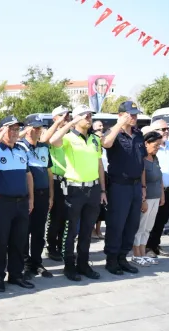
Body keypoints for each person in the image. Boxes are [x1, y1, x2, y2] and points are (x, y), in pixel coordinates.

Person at [49, 105, 104, 281]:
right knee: (71, 230)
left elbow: (99, 164)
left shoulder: (95, 139)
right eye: (85, 115)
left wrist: (102, 189)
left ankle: (83, 263)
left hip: (93, 188)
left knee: (87, 230)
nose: (89, 118)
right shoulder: (68, 137)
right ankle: (69, 265)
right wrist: (71, 121)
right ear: (77, 118)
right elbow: (53, 140)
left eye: (90, 115)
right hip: (75, 189)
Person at [0, 116, 35, 292]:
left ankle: (16, 275)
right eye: (10, 129)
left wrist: (31, 198)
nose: (14, 133)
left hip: (21, 202)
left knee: (19, 241)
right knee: (0, 241)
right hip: (1, 202)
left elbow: (28, 175)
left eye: (17, 129)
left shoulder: (21, 150)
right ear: (2, 130)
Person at [102, 101, 146, 275]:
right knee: (116, 224)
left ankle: (122, 257)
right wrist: (119, 124)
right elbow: (105, 143)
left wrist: (143, 187)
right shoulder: (113, 133)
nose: (134, 117)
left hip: (135, 186)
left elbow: (141, 162)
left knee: (132, 224)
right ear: (121, 115)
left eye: (135, 114)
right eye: (130, 114)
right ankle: (111, 259)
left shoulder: (138, 134)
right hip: (119, 186)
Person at [17, 114, 54, 280]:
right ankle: (24, 264)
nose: (38, 131)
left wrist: (51, 196)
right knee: (24, 231)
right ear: (26, 128)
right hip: (25, 196)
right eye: (34, 127)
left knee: (39, 232)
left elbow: (49, 172)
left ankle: (37, 262)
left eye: (40, 128)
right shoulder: (19, 147)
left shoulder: (44, 148)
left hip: (43, 194)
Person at [131, 130, 165, 267]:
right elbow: (140, 182)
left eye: (159, 145)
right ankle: (136, 254)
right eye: (155, 145)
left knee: (148, 227)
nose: (157, 148)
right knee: (140, 226)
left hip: (156, 198)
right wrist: (143, 200)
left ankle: (143, 252)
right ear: (146, 143)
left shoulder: (155, 158)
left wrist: (162, 194)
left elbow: (160, 178)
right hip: (146, 198)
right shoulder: (141, 160)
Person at [43, 106, 71, 262]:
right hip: (57, 180)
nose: (66, 118)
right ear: (55, 118)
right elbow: (46, 140)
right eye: (62, 116)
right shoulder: (52, 133)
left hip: (71, 180)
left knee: (67, 217)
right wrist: (60, 124)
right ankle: (51, 247)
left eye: (67, 116)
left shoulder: (71, 133)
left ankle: (62, 245)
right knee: (56, 217)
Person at [146, 120, 169, 258]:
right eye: (162, 129)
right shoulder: (149, 150)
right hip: (153, 190)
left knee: (162, 220)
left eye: (167, 128)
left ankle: (155, 244)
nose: (166, 131)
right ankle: (147, 247)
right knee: (150, 221)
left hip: (168, 189)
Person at [92, 121, 106, 239]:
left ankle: (98, 229)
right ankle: (92, 230)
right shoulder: (93, 147)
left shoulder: (105, 148)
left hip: (104, 177)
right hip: (93, 177)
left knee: (101, 207)